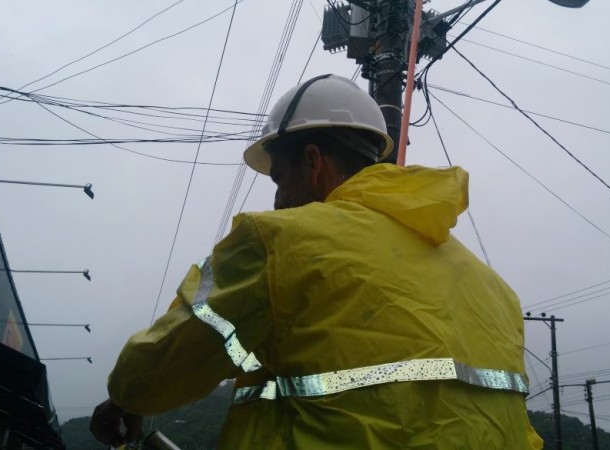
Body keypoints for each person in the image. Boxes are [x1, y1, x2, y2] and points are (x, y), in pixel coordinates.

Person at [91, 74, 543, 449]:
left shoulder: (277, 241)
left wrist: (125, 399)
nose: (276, 194)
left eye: (279, 175)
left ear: (313, 162)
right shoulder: (496, 291)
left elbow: (172, 358)